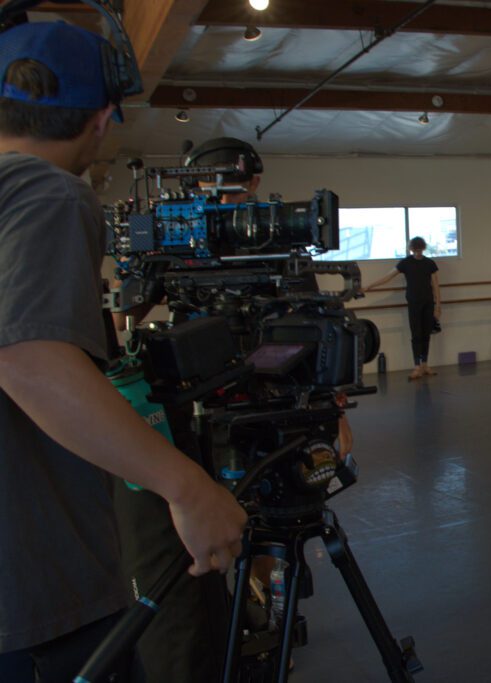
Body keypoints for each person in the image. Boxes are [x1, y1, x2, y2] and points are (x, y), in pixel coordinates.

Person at [0, 21, 247, 683]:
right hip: (37, 596)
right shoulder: (46, 191)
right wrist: (187, 487)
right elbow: (27, 356)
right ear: (102, 118)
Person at [111, 136, 270, 683]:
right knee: (204, 532)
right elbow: (125, 317)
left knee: (266, 521)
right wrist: (152, 262)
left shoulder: (271, 235)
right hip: (191, 409)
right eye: (210, 188)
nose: (221, 200)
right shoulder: (173, 238)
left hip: (263, 404)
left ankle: (264, 609)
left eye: (233, 186)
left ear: (253, 183)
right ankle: (229, 623)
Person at [364, 237, 441, 379]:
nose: (418, 252)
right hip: (414, 303)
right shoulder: (405, 263)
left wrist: (438, 306)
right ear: (411, 249)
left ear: (423, 248)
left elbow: (435, 285)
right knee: (416, 334)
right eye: (415, 250)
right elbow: (388, 277)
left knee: (426, 334)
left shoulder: (430, 263)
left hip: (428, 303)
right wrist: (369, 286)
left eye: (420, 250)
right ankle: (417, 366)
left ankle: (425, 364)